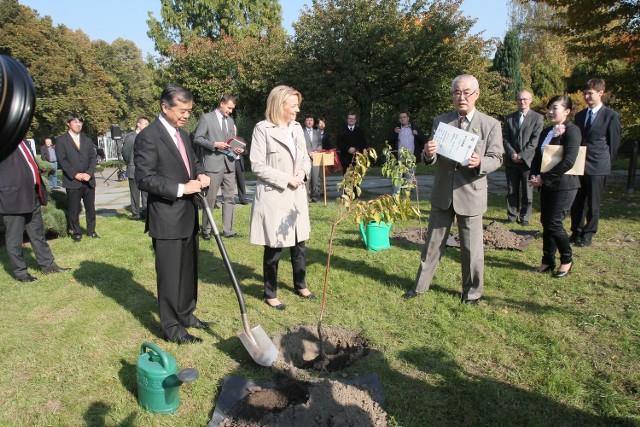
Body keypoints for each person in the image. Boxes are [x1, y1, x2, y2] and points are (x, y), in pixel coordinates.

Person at [403, 74, 503, 304]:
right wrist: (428, 154)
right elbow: (430, 156)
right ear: (452, 96)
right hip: (443, 193)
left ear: (476, 94)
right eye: (457, 92)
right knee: (432, 244)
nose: (462, 97)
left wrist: (481, 163)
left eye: (467, 92)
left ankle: (472, 293)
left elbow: (497, 158)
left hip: (471, 193)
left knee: (471, 249)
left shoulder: (490, 124)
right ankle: (420, 286)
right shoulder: (441, 121)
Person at [135, 83, 211, 344]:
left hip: (188, 215)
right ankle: (172, 328)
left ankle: (187, 314)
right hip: (167, 218)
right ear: (164, 107)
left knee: (188, 270)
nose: (186, 115)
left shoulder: (183, 135)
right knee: (169, 275)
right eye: (182, 110)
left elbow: (192, 162)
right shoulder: (148, 136)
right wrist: (181, 188)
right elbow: (144, 178)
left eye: (189, 111)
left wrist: (200, 173)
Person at [249, 85, 315, 310]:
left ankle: (300, 284)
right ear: (280, 105)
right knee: (275, 247)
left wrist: (302, 173)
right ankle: (270, 293)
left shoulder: (297, 128)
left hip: (296, 195)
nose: (298, 110)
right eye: (294, 106)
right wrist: (286, 178)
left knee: (299, 243)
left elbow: (305, 157)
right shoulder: (262, 129)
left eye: (298, 105)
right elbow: (257, 165)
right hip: (275, 196)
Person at [0, 141, 70, 282]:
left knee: (37, 233)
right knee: (14, 238)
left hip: (31, 194)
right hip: (12, 197)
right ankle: (21, 272)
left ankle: (48, 265)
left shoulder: (23, 141)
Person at [529, 95, 581, 278]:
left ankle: (567, 259)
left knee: (554, 223)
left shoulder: (572, 131)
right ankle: (547, 260)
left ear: (567, 111)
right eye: (549, 108)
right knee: (546, 222)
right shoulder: (546, 132)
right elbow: (538, 156)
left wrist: (544, 178)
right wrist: (534, 175)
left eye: (555, 108)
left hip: (565, 185)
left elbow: (568, 161)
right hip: (547, 184)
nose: (550, 112)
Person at [570, 78, 621, 247]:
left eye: (590, 93)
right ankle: (576, 230)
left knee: (593, 203)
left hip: (598, 166)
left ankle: (588, 234)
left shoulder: (611, 116)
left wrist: (604, 162)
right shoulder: (580, 115)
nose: (586, 96)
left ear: (601, 93)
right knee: (577, 201)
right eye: (584, 93)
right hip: (579, 165)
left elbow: (613, 144)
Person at [194, 94, 243, 240]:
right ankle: (206, 230)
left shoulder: (230, 120)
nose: (230, 111)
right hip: (212, 165)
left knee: (229, 198)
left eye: (232, 109)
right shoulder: (206, 118)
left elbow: (229, 141)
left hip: (229, 163)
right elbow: (197, 138)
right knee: (210, 199)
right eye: (229, 108)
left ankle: (228, 230)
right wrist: (214, 144)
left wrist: (236, 148)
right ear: (221, 103)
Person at [55, 113, 99, 242]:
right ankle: (77, 232)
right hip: (73, 181)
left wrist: (89, 173)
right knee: (74, 209)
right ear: (68, 123)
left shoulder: (87, 140)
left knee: (90, 208)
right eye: (75, 122)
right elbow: (62, 160)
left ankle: (92, 231)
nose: (78, 124)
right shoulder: (61, 140)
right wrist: (75, 174)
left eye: (80, 122)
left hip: (88, 180)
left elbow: (93, 158)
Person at [502, 90, 544, 226]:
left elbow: (535, 140)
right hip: (511, 161)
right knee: (512, 190)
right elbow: (505, 138)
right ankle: (512, 215)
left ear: (531, 100)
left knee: (527, 192)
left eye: (525, 99)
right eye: (520, 99)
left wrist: (522, 156)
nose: (522, 102)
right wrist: (512, 153)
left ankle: (525, 217)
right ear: (516, 101)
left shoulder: (537, 118)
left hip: (528, 161)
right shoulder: (509, 118)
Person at [387, 111, 427, 194]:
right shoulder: (396, 128)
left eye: (404, 117)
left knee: (408, 181)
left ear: (408, 118)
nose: (402, 119)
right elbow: (388, 141)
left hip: (411, 159)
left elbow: (423, 140)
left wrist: (417, 134)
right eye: (400, 117)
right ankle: (395, 200)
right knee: (396, 180)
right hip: (398, 159)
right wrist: (394, 133)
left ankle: (406, 200)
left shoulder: (414, 128)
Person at [121, 116, 150, 220]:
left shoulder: (146, 136)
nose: (147, 126)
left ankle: (146, 212)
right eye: (145, 124)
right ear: (138, 124)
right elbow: (126, 152)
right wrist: (131, 163)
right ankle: (136, 213)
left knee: (146, 194)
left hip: (145, 171)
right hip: (134, 170)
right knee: (135, 194)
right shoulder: (131, 137)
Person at [302, 114, 322, 202]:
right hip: (305, 157)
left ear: (313, 122)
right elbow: (299, 145)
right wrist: (308, 153)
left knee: (315, 178)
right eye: (308, 120)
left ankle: (314, 196)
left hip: (315, 158)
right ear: (305, 121)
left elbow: (320, 144)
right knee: (307, 178)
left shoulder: (317, 132)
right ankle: (306, 197)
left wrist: (317, 151)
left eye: (311, 120)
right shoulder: (301, 132)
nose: (310, 122)